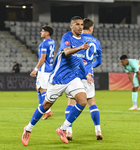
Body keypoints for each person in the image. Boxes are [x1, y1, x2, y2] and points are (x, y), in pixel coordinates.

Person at [22, 16, 93, 146]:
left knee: (83, 101)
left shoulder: (83, 41)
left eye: (82, 24)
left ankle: (63, 128)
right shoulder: (67, 37)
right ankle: (28, 129)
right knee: (46, 106)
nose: (80, 27)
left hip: (72, 78)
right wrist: (81, 48)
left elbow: (79, 61)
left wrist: (86, 73)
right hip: (58, 78)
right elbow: (67, 52)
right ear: (71, 26)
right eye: (77, 24)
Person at [65, 18, 103, 141]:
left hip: (74, 75)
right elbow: (99, 61)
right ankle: (98, 130)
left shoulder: (77, 39)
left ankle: (69, 131)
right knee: (92, 102)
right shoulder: (96, 42)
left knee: (71, 102)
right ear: (91, 28)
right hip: (88, 76)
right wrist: (90, 66)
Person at [30, 25, 55, 120]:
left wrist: (35, 69)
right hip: (49, 68)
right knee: (38, 88)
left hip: (44, 69)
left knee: (43, 90)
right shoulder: (52, 42)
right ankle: (40, 111)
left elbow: (43, 58)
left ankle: (48, 111)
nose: (41, 32)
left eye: (43, 31)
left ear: (47, 33)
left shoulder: (44, 44)